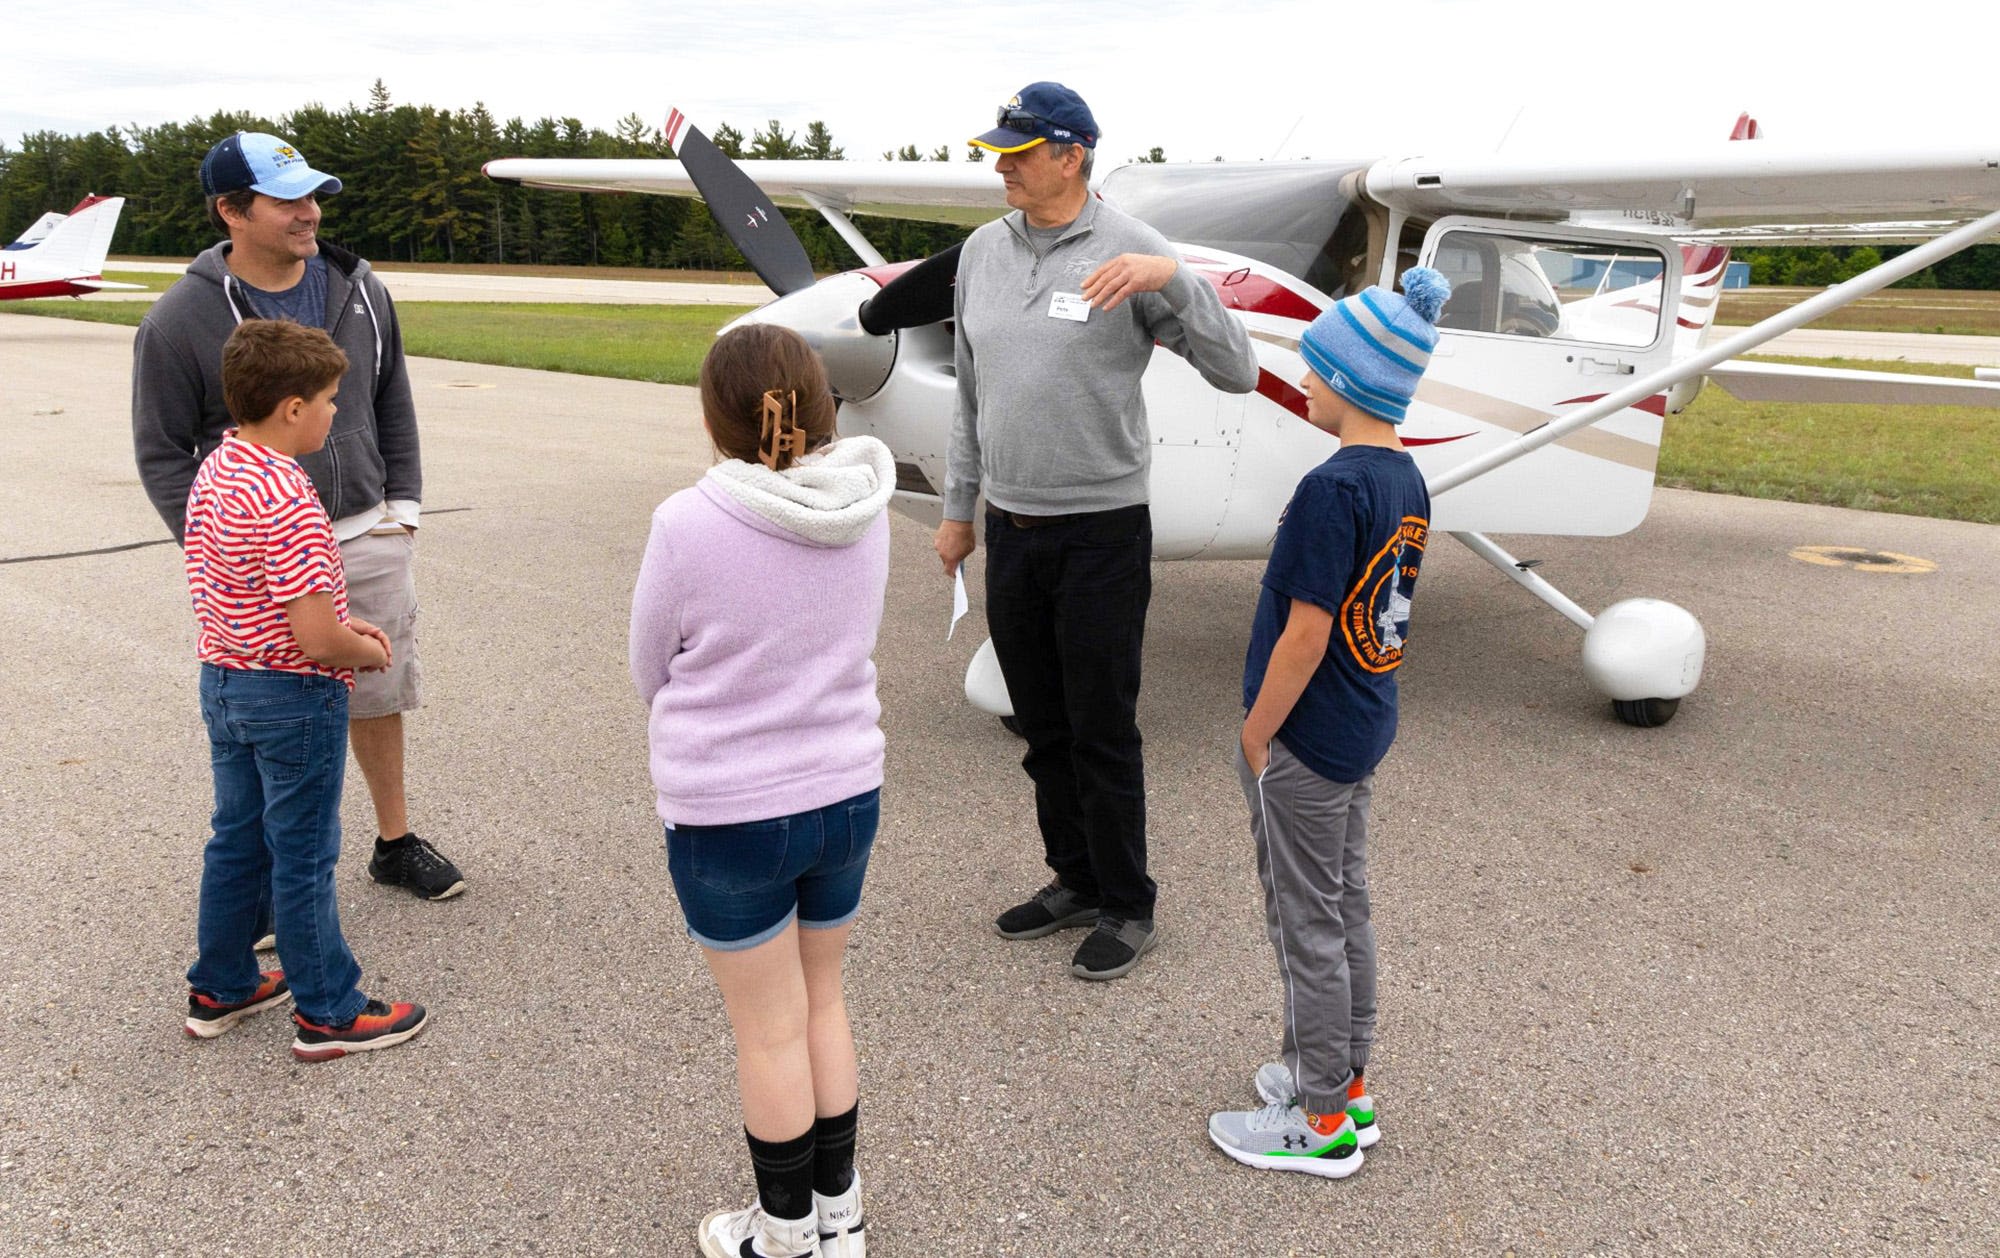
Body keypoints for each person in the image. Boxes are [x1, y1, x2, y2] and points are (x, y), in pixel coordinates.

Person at [933, 82, 1260, 981]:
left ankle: (1127, 901)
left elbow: (1238, 372)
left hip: (1102, 529)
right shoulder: (981, 254)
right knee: (1040, 721)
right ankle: (1073, 879)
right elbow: (971, 393)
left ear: (1071, 155)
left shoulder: (1137, 251)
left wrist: (1179, 282)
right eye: (999, 149)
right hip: (1011, 525)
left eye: (1018, 151)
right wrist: (959, 510)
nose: (1001, 164)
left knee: (1100, 724)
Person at [133, 130, 464, 905]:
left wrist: (403, 507)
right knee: (275, 720)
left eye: (313, 196)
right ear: (231, 211)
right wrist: (221, 544)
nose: (310, 212)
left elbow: (390, 398)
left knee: (377, 693)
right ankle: (271, 886)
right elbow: (161, 450)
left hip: (364, 529)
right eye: (288, 200)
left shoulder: (359, 286)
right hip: (260, 564)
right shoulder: (179, 319)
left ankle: (394, 841)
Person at [631, 324, 893, 1258]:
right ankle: (841, 1220)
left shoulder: (688, 522)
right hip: (845, 794)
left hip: (731, 813)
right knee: (824, 1003)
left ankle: (781, 1236)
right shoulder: (869, 505)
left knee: (769, 1031)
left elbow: (648, 664)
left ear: (715, 417)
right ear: (825, 407)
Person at [1206, 267, 1451, 1178]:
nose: (1303, 384)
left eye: (1313, 370)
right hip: (1361, 728)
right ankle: (1343, 1084)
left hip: (1305, 741)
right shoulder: (1407, 478)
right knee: (1344, 908)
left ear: (1349, 382)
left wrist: (1257, 732)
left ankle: (1319, 1126)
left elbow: (1308, 631)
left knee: (1303, 920)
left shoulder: (1330, 488)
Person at [181, 318, 428, 1061]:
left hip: (225, 681)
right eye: (327, 400)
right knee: (303, 853)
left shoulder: (219, 468)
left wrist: (335, 622)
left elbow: (260, 589)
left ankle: (220, 985)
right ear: (291, 408)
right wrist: (363, 646)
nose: (333, 412)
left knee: (236, 839)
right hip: (292, 695)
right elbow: (317, 638)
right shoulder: (288, 494)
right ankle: (329, 1009)